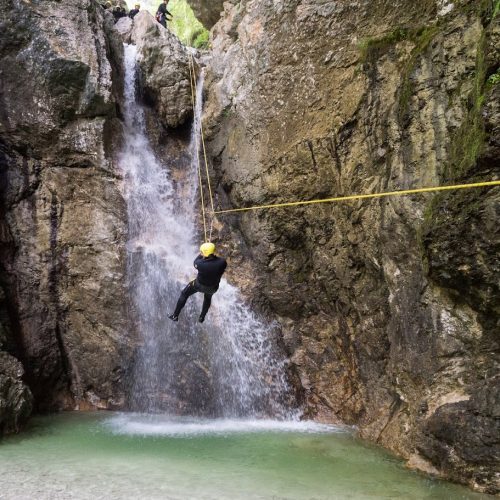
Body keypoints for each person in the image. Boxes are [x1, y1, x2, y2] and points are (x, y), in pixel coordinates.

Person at [169, 243, 227, 323]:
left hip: (199, 285)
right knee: (207, 298)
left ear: (205, 253)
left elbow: (197, 259)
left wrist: (202, 253)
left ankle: (175, 316)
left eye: (202, 252)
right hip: (212, 288)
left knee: (184, 294)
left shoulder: (199, 264)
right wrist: (210, 252)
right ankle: (202, 317)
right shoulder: (222, 262)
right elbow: (217, 259)